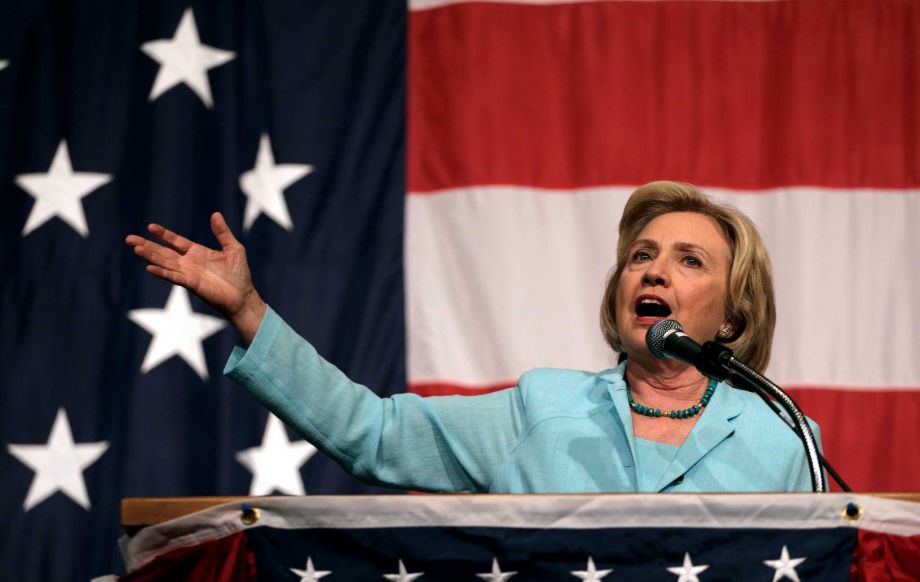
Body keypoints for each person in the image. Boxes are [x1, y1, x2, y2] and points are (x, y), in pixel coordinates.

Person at [125, 181, 820, 493]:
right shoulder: (544, 407)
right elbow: (373, 433)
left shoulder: (783, 437)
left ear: (733, 315)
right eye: (641, 254)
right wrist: (250, 309)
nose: (655, 269)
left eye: (689, 260)